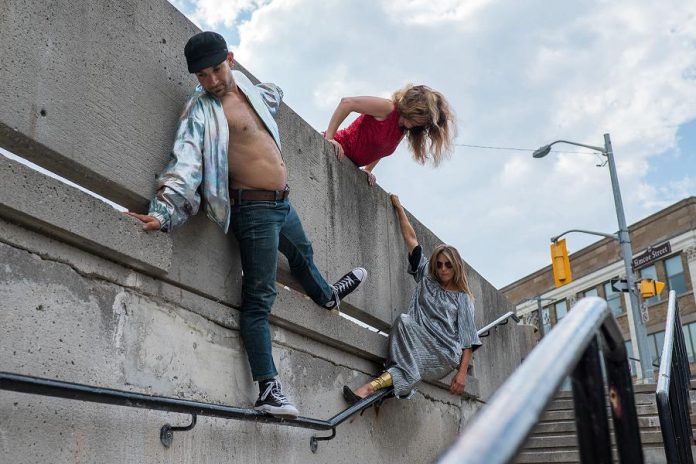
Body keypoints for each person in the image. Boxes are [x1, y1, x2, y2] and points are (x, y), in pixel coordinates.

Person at [126, 31, 367, 419]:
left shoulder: (252, 92)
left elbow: (273, 95)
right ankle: (268, 389)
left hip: (282, 203)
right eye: (202, 76)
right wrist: (164, 212)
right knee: (259, 298)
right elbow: (184, 163)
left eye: (217, 70)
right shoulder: (201, 110)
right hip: (252, 211)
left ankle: (326, 296)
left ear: (232, 60)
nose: (213, 81)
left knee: (303, 253)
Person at [342, 194, 480, 403]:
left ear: (456, 267)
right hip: (416, 339)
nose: (443, 269)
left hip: (442, 354)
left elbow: (468, 342)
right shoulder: (427, 277)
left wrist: (461, 375)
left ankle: (373, 387)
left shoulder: (463, 299)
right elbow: (412, 240)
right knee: (404, 321)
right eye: (440, 264)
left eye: (448, 265)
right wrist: (399, 208)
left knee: (408, 356)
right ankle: (393, 385)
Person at [323, 85, 456, 186]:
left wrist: (368, 170)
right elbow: (347, 103)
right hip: (335, 149)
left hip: (348, 164)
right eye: (424, 119)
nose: (423, 125)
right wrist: (330, 138)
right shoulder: (388, 108)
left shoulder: (403, 130)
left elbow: (380, 148)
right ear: (416, 110)